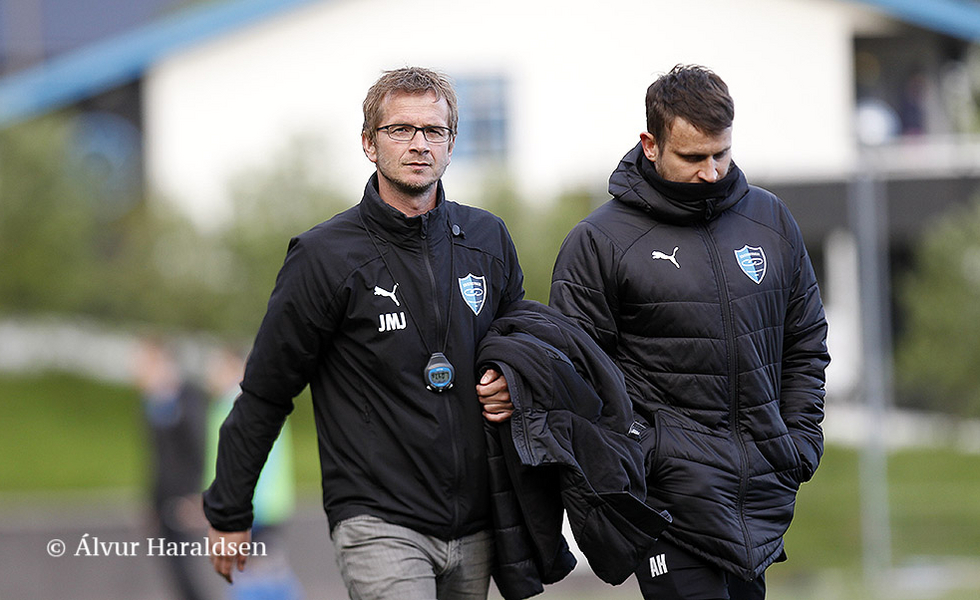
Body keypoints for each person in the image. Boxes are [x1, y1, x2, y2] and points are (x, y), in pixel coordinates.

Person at [203, 66, 525, 600]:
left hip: (477, 519)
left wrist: (515, 379)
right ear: (368, 145)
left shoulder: (488, 239)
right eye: (400, 130)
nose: (419, 144)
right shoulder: (324, 257)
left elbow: (522, 342)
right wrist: (230, 507)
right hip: (378, 520)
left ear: (451, 144)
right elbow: (267, 389)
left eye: (434, 131)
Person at [549, 64, 830, 600]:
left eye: (721, 154)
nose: (712, 171)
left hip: (759, 501)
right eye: (693, 158)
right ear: (650, 144)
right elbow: (573, 382)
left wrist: (798, 443)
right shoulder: (599, 241)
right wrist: (637, 464)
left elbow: (806, 343)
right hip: (666, 506)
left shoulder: (770, 220)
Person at [135, 336, 209, 600]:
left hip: (184, 499)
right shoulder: (153, 403)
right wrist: (152, 503)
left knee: (188, 570)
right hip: (164, 498)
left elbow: (199, 447)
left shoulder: (187, 398)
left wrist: (197, 496)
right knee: (174, 571)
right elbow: (156, 459)